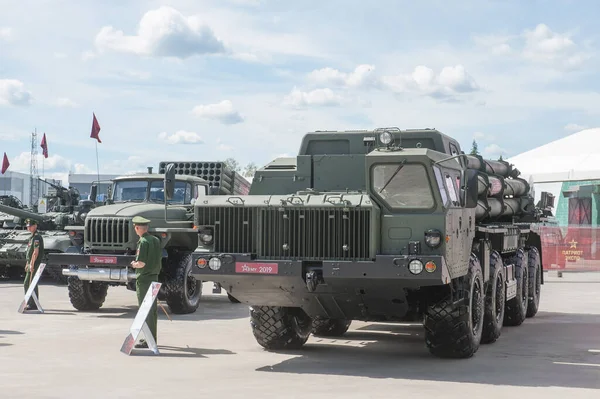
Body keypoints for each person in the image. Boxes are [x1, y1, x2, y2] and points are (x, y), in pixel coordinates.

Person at [129, 215, 162, 348]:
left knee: (145, 310)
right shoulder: (155, 240)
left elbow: (141, 263)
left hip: (144, 279)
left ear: (137, 228)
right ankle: (152, 338)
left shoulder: (143, 242)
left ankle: (148, 340)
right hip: (154, 277)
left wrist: (133, 264)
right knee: (152, 310)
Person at [24, 218, 44, 310]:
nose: (29, 228)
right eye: (28, 226)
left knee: (29, 283)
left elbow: (35, 252)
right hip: (31, 262)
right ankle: (32, 303)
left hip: (35, 263)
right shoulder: (32, 237)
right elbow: (30, 251)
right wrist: (28, 263)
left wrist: (31, 264)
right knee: (30, 283)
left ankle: (32, 304)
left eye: (31, 226)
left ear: (35, 226)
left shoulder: (36, 237)